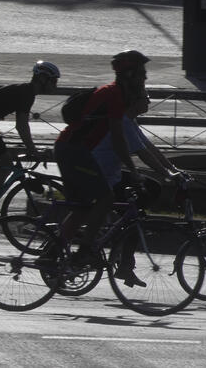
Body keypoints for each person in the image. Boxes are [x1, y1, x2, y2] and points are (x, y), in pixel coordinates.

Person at [53, 49, 150, 267]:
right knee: (105, 199)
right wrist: (133, 171)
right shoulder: (113, 94)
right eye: (142, 72)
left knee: (82, 208)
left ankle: (50, 255)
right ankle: (85, 251)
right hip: (73, 151)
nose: (145, 77)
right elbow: (118, 139)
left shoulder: (117, 94)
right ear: (129, 75)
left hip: (72, 149)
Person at [92, 91, 184, 287]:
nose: (149, 101)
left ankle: (122, 232)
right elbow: (143, 154)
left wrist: (173, 169)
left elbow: (150, 147)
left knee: (150, 190)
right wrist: (166, 173)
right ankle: (124, 260)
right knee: (136, 219)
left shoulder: (130, 121)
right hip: (102, 177)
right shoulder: (124, 122)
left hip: (112, 174)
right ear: (134, 101)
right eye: (146, 98)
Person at [0, 60, 61, 197]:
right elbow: (21, 126)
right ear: (42, 78)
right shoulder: (27, 93)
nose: (55, 85)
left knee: (2, 166)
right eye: (53, 81)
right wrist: (32, 149)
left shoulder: (24, 90)